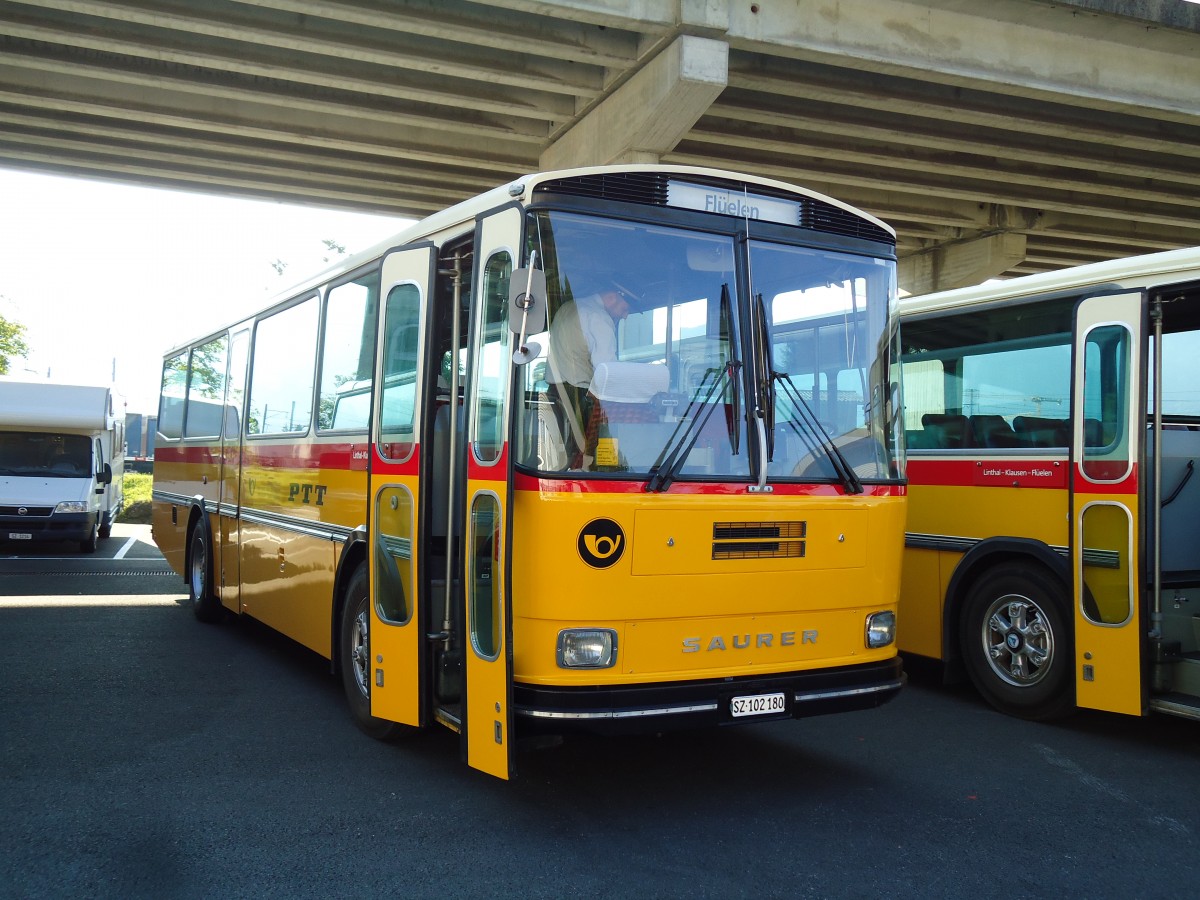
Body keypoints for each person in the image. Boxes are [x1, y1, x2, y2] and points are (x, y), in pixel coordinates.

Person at [545, 282, 635, 468]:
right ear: (611, 297)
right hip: (580, 395)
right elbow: (607, 371)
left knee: (560, 453)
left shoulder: (566, 308)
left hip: (554, 391)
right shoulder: (599, 317)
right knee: (588, 457)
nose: (625, 316)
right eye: (625, 309)